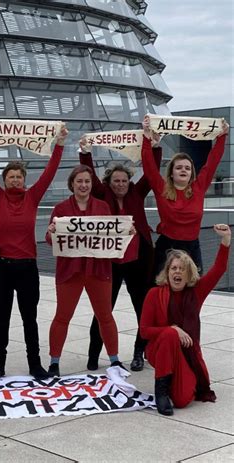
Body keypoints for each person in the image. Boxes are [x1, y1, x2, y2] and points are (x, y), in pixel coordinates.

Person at [0, 120, 68, 380]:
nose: (15, 180)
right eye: (11, 177)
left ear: (24, 180)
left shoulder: (33, 196)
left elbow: (50, 170)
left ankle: (35, 364)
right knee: (1, 320)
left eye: (19, 177)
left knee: (29, 319)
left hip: (27, 267)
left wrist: (59, 144)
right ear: (4, 182)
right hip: (2, 267)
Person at [79, 135, 162, 371]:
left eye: (124, 180)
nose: (120, 184)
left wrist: (155, 146)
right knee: (104, 308)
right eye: (116, 180)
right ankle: (94, 353)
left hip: (140, 259)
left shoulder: (138, 192)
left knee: (142, 308)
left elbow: (153, 171)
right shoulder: (102, 193)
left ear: (130, 181)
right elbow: (90, 175)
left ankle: (139, 352)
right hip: (111, 261)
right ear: (109, 181)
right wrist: (85, 151)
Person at [140, 224, 231, 416]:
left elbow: (219, 269)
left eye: (182, 269)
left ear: (188, 273)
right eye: (173, 268)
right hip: (159, 349)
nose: (177, 272)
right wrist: (173, 329)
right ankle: (161, 391)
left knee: (182, 400)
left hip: (185, 354)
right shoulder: (154, 294)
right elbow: (144, 331)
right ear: (167, 272)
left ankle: (173, 381)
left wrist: (225, 240)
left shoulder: (196, 292)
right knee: (169, 334)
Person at [46, 165, 125, 376]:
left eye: (87, 181)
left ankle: (114, 360)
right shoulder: (61, 209)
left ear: (92, 184)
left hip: (98, 270)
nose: (83, 185)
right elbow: (50, 241)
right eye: (79, 181)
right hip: (70, 271)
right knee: (62, 316)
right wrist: (51, 232)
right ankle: (54, 362)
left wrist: (126, 234)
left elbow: (113, 237)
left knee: (105, 316)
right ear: (72, 184)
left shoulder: (102, 207)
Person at [141, 115, 229, 275]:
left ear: (191, 173)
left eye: (187, 168)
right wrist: (146, 137)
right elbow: (149, 167)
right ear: (172, 173)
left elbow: (212, 162)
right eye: (179, 167)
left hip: (192, 247)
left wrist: (222, 136)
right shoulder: (162, 188)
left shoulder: (199, 187)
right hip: (166, 248)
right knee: (163, 293)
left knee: (193, 292)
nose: (183, 170)